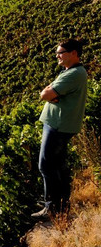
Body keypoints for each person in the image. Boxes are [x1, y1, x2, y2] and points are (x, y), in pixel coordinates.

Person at [34, 38, 88, 219]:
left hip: (58, 124)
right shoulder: (69, 72)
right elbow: (50, 94)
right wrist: (51, 94)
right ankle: (62, 206)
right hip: (59, 123)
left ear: (74, 53)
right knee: (57, 166)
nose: (57, 55)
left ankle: (52, 208)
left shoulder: (74, 74)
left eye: (61, 52)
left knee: (46, 166)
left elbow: (45, 94)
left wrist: (49, 94)